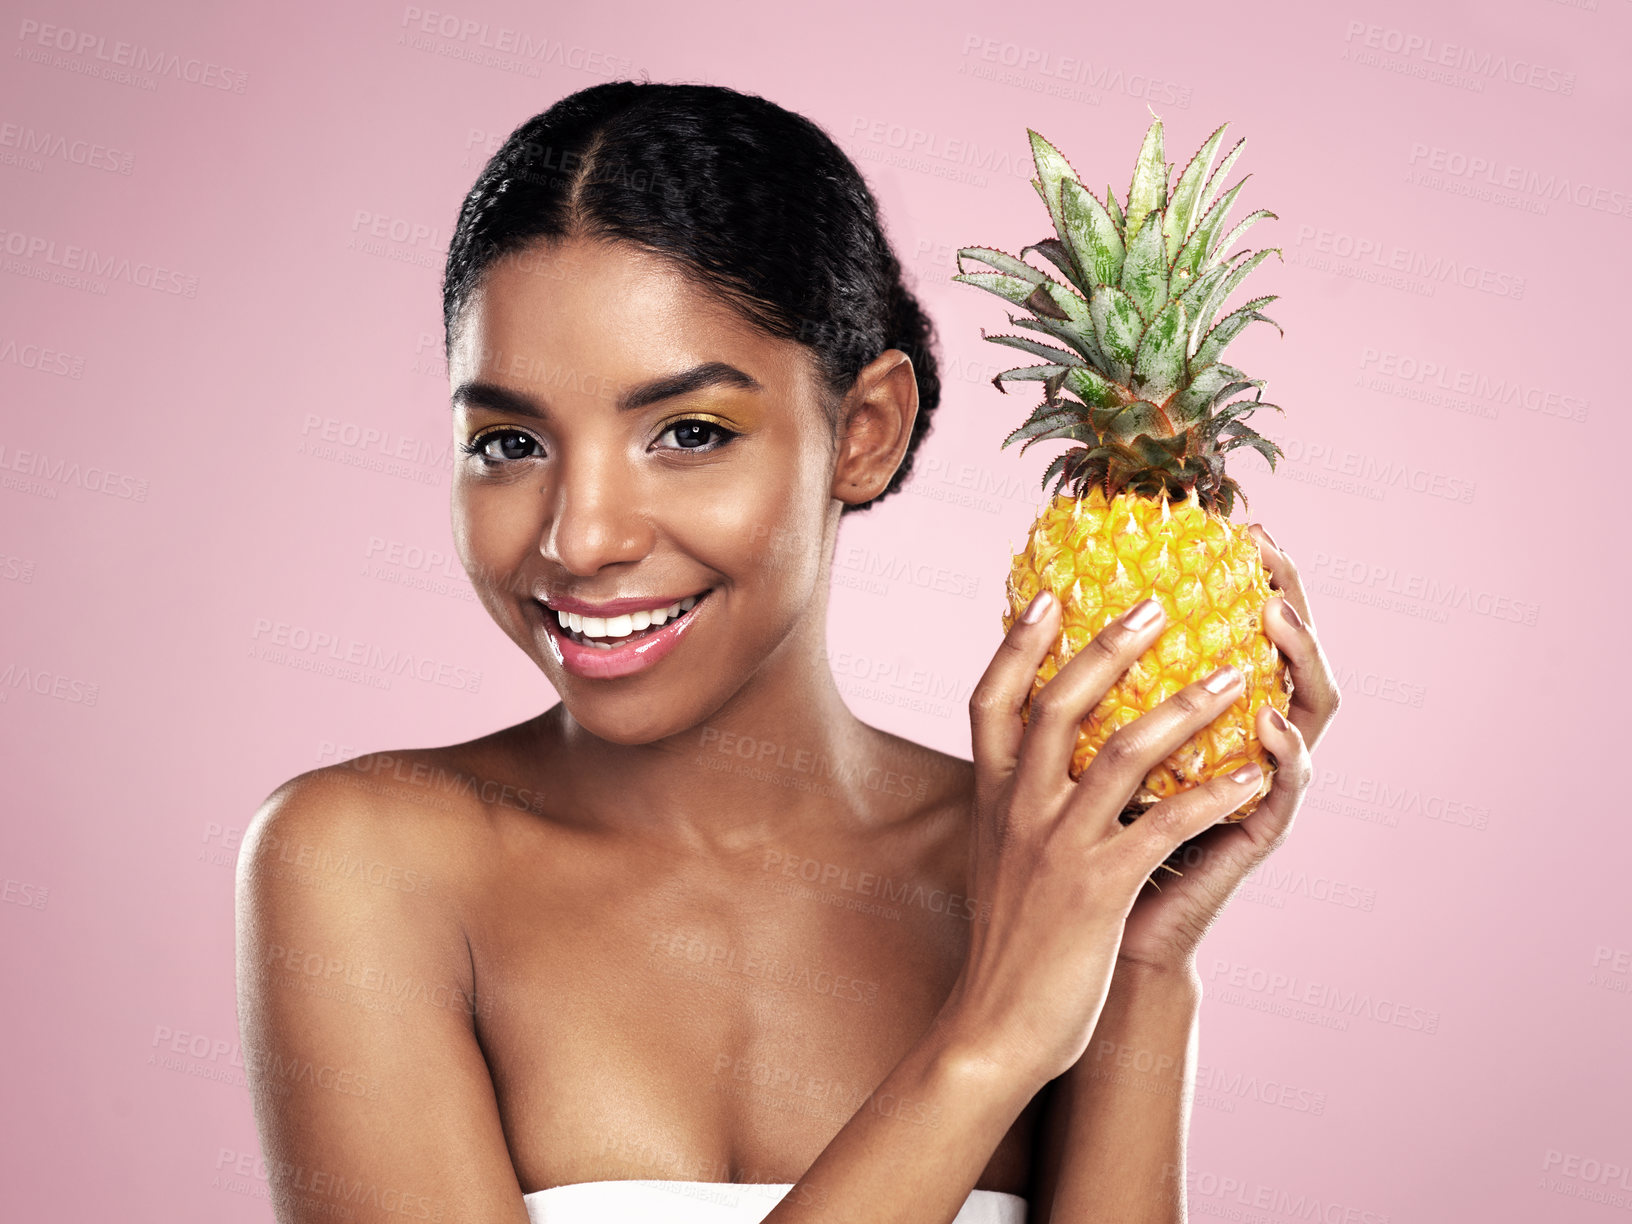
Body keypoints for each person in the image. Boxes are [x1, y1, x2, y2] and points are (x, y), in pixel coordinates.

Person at [235, 80, 1341, 1224]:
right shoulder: (362, 863)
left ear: (864, 432)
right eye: (509, 442)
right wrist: (988, 1042)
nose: (581, 536)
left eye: (689, 434)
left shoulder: (1044, 875)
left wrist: (1146, 963)